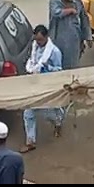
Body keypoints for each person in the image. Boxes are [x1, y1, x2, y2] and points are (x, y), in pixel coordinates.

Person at [20, 25, 64, 153]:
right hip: (34, 84)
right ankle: (30, 141)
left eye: (40, 40)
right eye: (36, 40)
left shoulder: (54, 52)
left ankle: (58, 122)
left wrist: (47, 68)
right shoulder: (34, 47)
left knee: (52, 111)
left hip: (48, 86)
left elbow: (59, 70)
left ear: (46, 37)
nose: (38, 43)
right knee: (28, 113)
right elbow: (32, 61)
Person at [47, 0, 92, 71]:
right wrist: (70, 10)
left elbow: (84, 20)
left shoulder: (77, 3)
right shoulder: (54, 2)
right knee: (58, 64)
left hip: (74, 40)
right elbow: (56, 13)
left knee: (73, 65)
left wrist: (88, 37)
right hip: (58, 40)